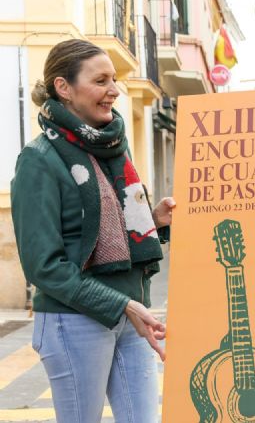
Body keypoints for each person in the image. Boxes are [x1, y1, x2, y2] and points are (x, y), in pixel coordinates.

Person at [11, 39, 175, 423]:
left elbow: (117, 227)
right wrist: (119, 304)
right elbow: (43, 266)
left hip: (131, 316)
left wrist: (154, 221)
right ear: (63, 88)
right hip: (74, 322)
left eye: (113, 80)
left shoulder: (115, 148)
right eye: (100, 81)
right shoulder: (38, 160)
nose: (113, 91)